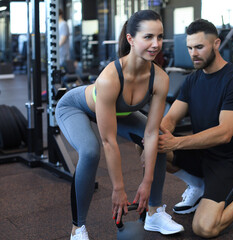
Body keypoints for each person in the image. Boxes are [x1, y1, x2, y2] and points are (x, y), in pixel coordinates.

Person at [55, 10, 184, 240]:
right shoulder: (110, 78)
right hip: (74, 107)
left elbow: (152, 133)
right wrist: (118, 188)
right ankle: (78, 228)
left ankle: (154, 212)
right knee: (90, 150)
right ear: (130, 39)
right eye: (148, 37)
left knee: (160, 140)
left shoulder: (160, 78)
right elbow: (109, 141)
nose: (156, 44)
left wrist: (147, 182)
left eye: (160, 37)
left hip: (118, 112)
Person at [157, 19, 233, 238]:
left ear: (216, 44)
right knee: (151, 147)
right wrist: (160, 134)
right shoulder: (192, 80)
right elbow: (171, 118)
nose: (193, 53)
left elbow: (224, 133)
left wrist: (176, 142)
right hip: (201, 154)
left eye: (199, 47)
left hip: (229, 161)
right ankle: (199, 185)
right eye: (190, 48)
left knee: (204, 228)